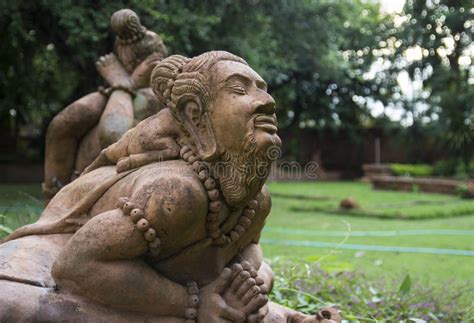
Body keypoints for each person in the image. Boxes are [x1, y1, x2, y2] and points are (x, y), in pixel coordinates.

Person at [0, 51, 339, 322]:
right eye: (239, 90)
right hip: (57, 254)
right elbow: (75, 265)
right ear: (195, 115)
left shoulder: (255, 201)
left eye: (262, 88)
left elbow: (247, 248)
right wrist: (191, 304)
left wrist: (249, 275)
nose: (267, 102)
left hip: (145, 265)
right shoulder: (176, 190)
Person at [42, 9, 167, 203]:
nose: (123, 35)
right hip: (115, 87)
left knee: (111, 129)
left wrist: (121, 80)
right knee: (63, 122)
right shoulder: (120, 41)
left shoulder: (151, 40)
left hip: (141, 91)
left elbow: (113, 133)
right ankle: (52, 199)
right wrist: (119, 80)